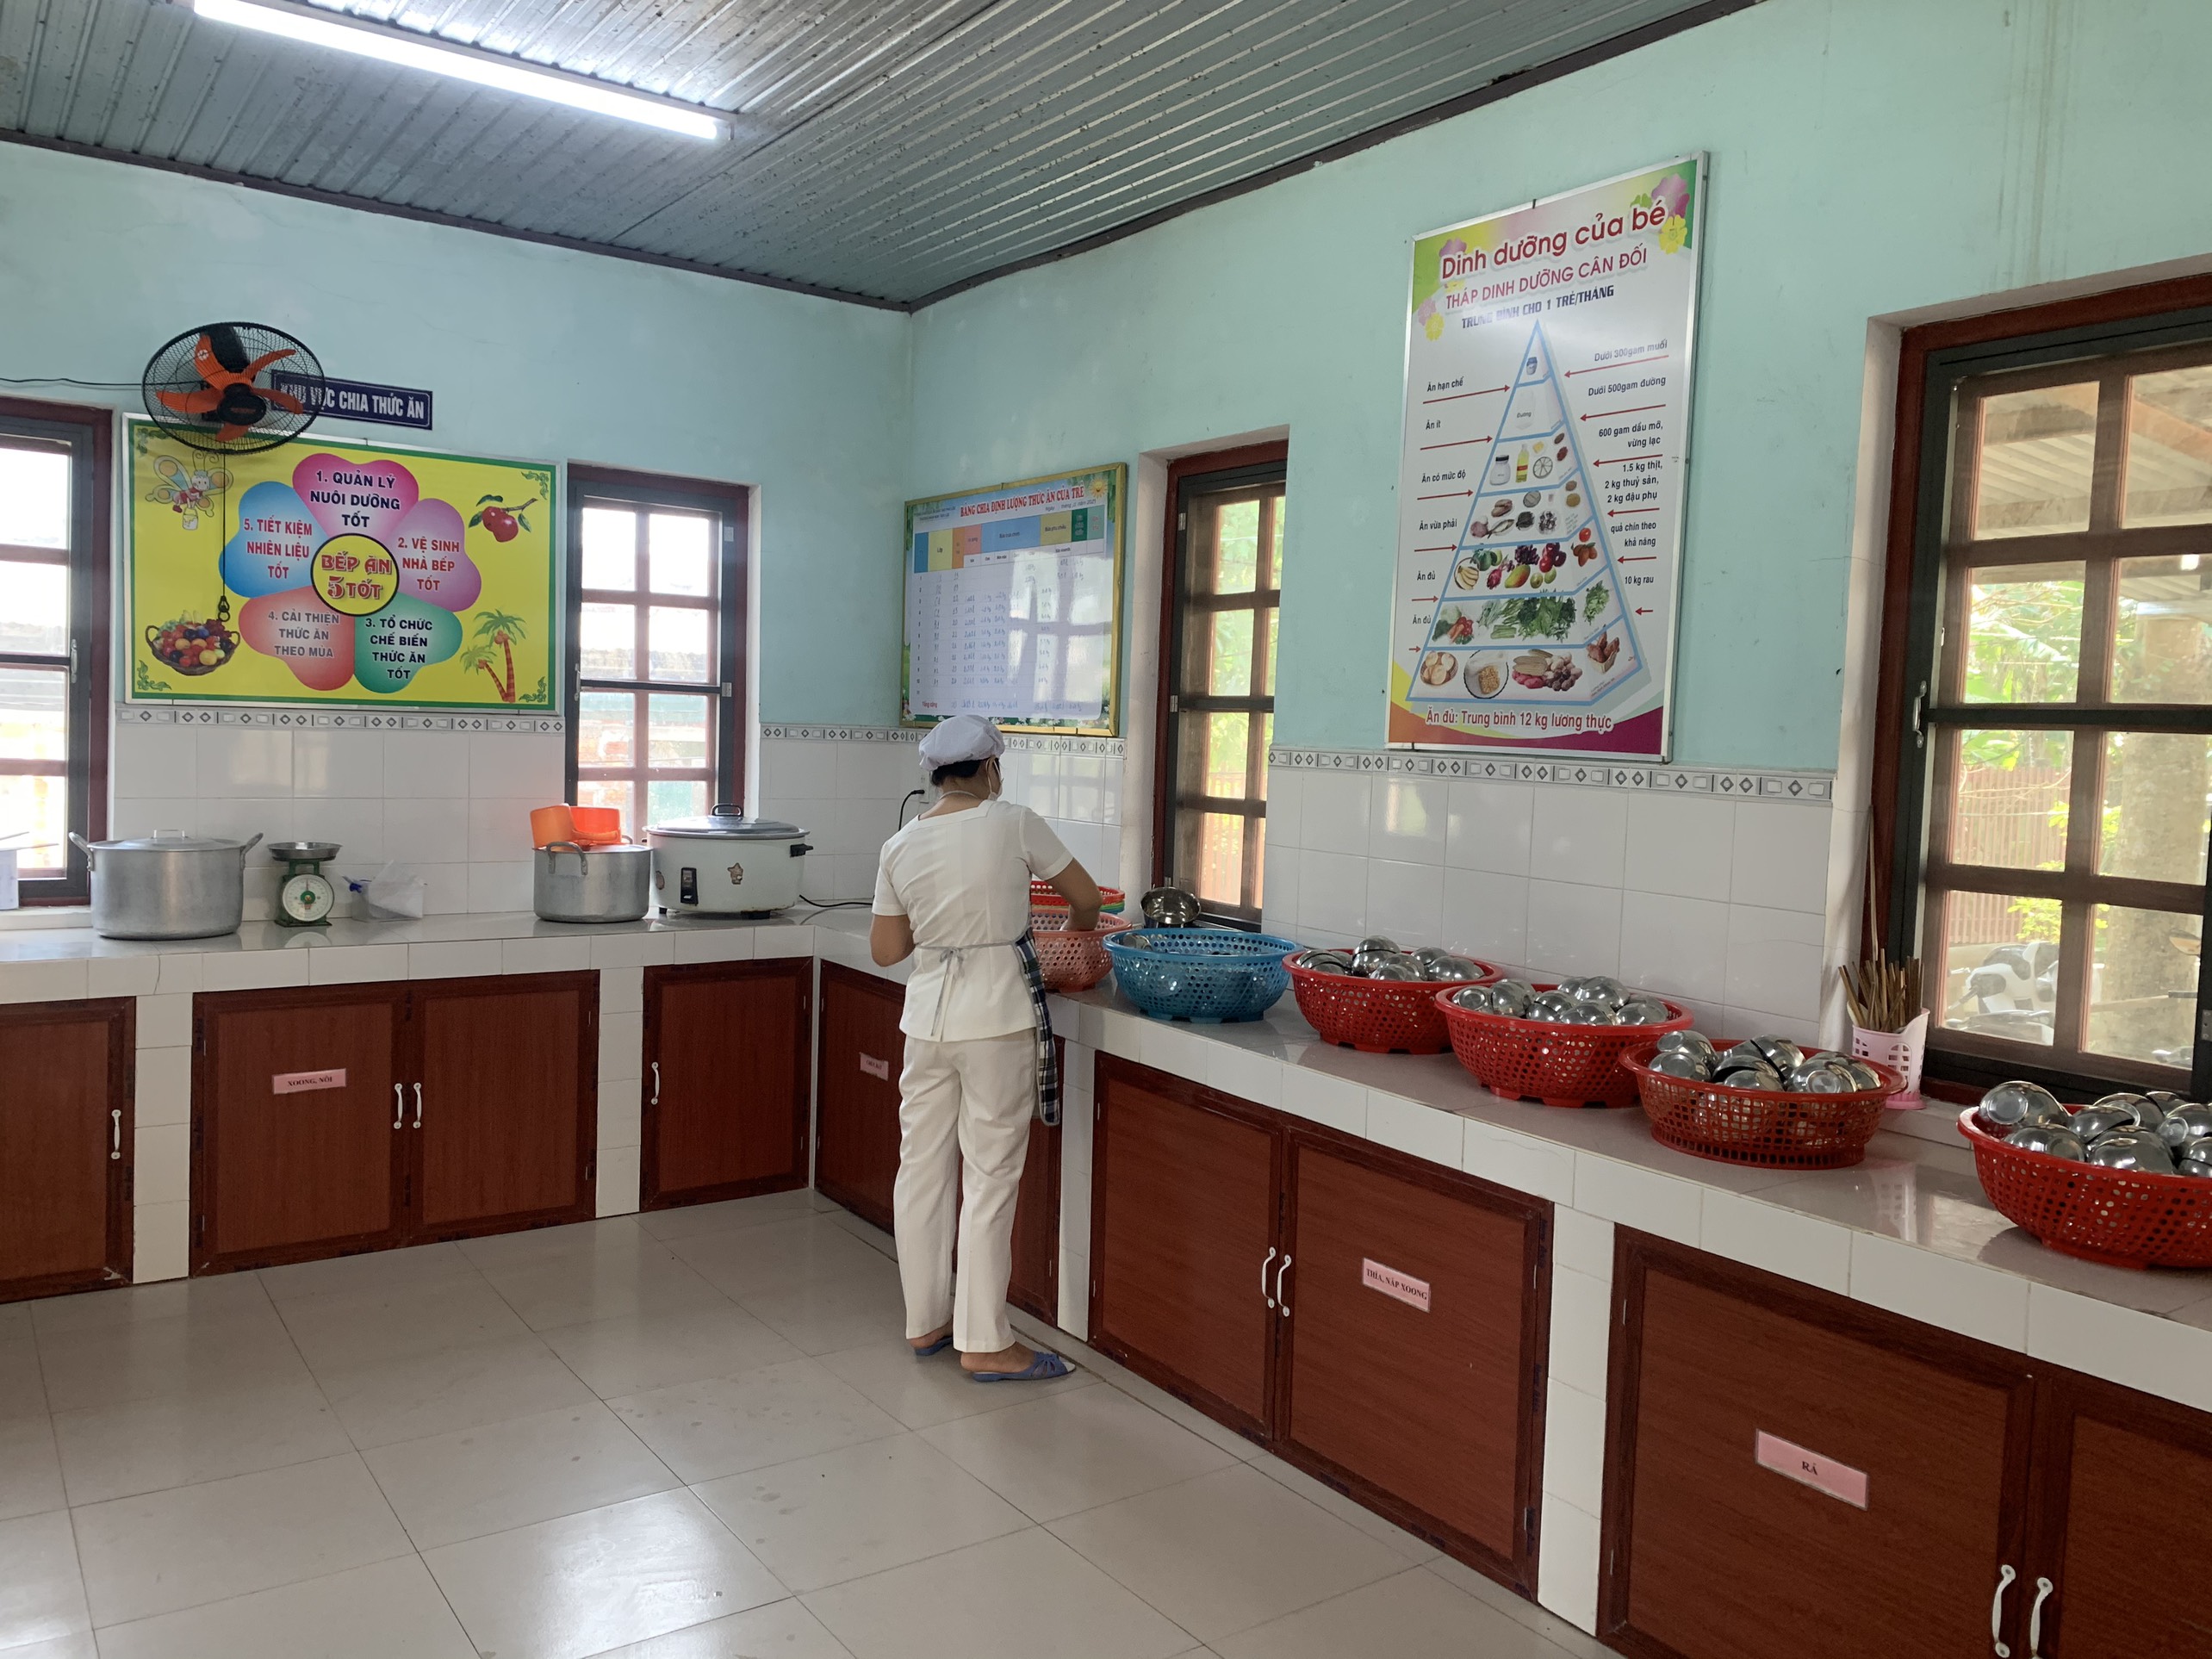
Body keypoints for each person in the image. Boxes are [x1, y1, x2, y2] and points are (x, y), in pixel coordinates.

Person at [870, 714, 1102, 1380]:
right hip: (996, 1017)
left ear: (936, 776)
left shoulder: (901, 844)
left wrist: (939, 924)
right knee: (991, 1177)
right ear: (991, 769)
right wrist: (1067, 936)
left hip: (927, 1021)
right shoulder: (1012, 822)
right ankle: (984, 1341)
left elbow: (886, 950)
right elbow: (1086, 899)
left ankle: (926, 1321)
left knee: (921, 1169)